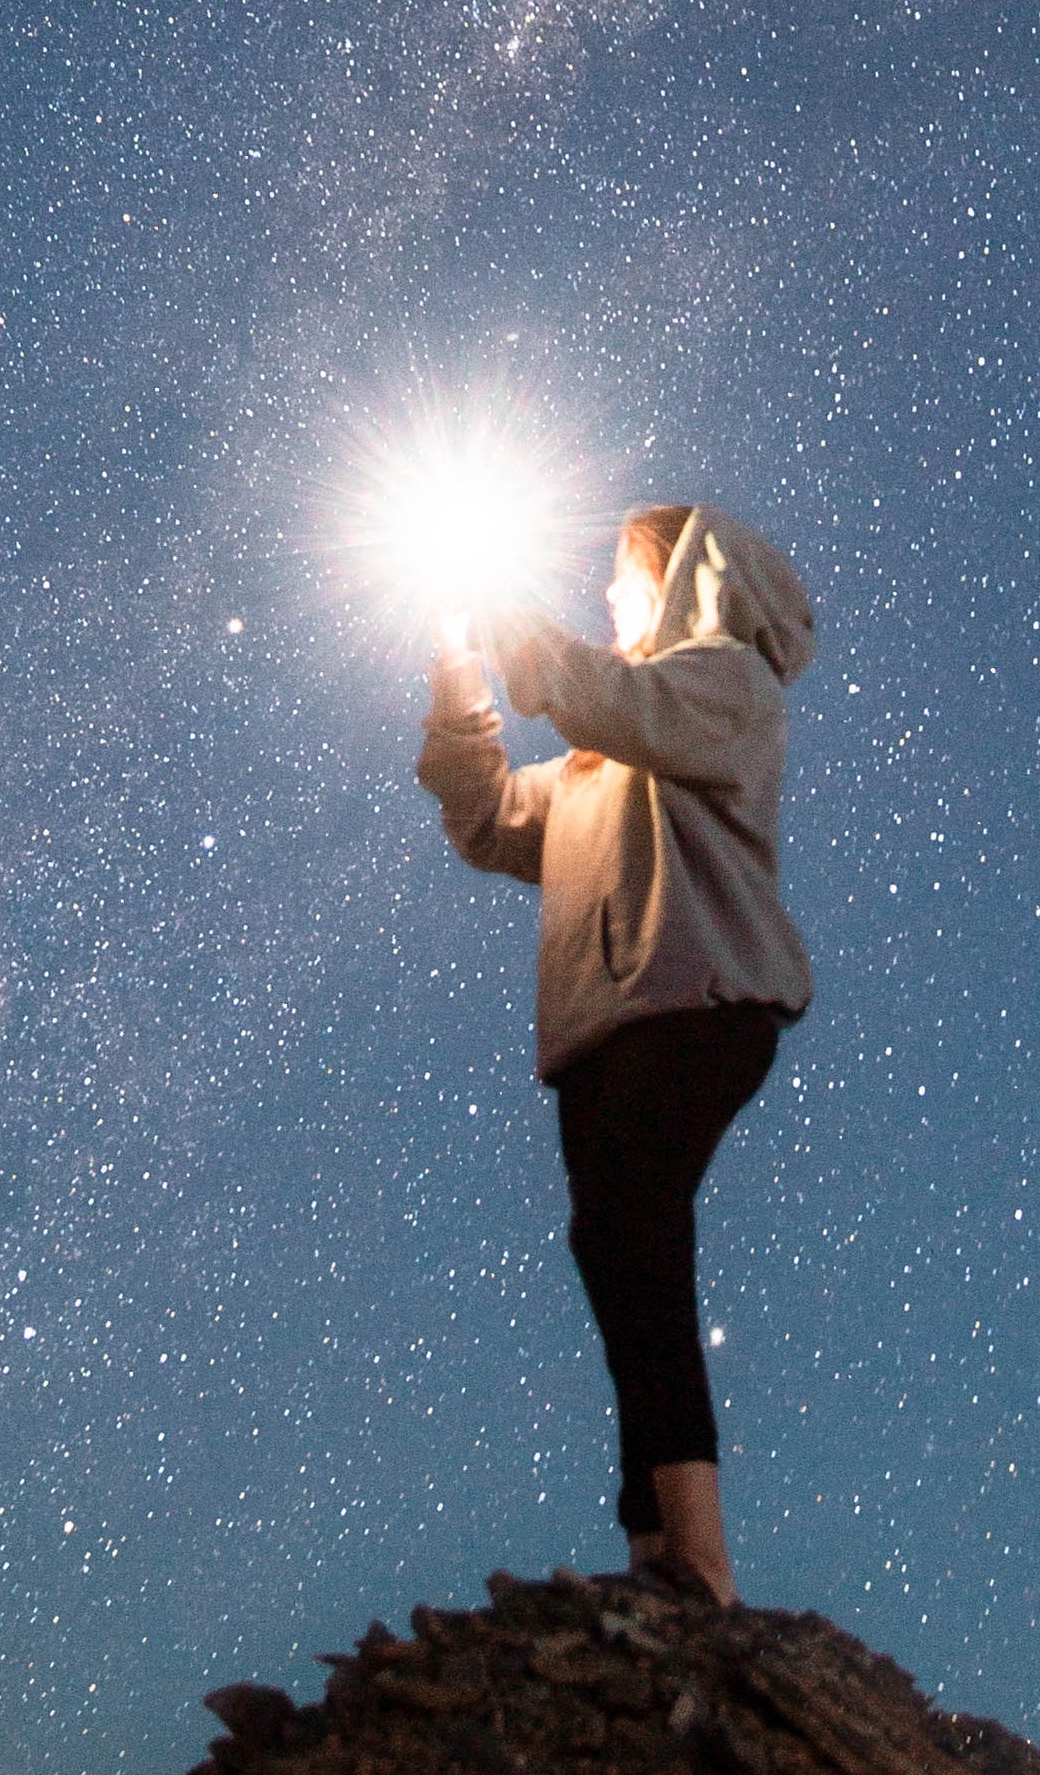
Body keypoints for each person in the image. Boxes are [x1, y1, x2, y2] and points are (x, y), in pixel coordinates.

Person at [415, 503, 817, 1607]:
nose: (606, 596)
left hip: (697, 1002)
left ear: (683, 578)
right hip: (602, 1026)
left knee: (632, 1227)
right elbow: (494, 820)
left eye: (621, 579)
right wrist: (461, 668)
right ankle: (656, 1553)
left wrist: (515, 628)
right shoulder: (602, 760)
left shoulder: (727, 691)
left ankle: (701, 1563)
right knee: (612, 1246)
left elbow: (620, 695)